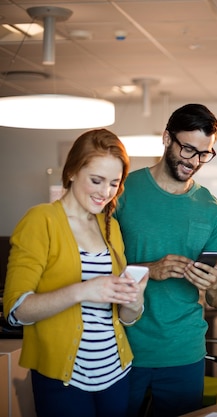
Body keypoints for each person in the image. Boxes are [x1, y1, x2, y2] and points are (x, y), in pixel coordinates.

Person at [3, 129, 147, 417]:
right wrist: (83, 290)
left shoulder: (111, 227)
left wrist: (134, 302)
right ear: (71, 172)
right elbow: (15, 310)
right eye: (96, 180)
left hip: (116, 373)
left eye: (114, 184)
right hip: (64, 379)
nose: (105, 193)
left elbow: (125, 318)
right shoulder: (40, 220)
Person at [114, 104, 217, 417]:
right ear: (167, 138)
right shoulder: (123, 191)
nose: (194, 161)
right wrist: (149, 270)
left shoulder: (213, 210)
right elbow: (94, 268)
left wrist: (214, 283)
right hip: (123, 347)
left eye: (204, 153)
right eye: (188, 149)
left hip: (184, 351)